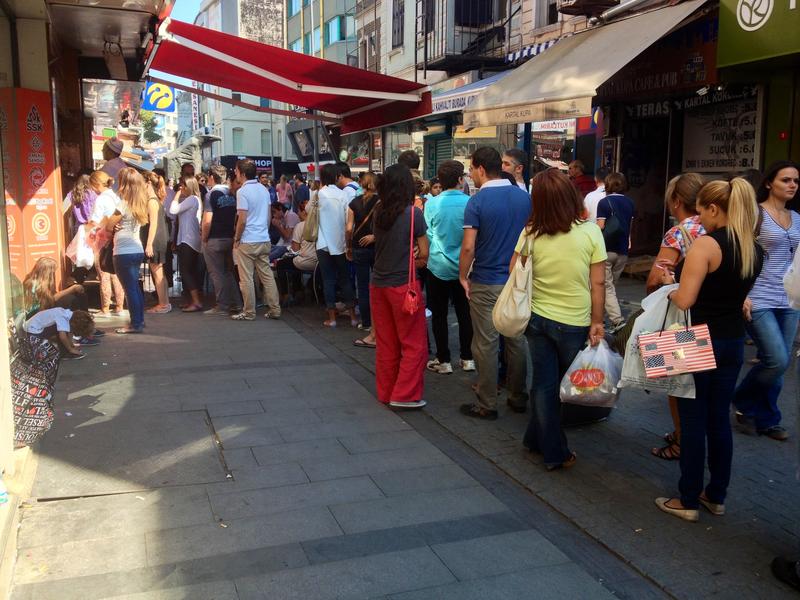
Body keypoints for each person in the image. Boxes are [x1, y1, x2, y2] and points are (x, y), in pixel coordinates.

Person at [654, 178, 763, 522]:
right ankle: (715, 495)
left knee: (692, 419)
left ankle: (686, 498)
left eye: (701, 211)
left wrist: (669, 288)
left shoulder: (705, 245)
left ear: (714, 208)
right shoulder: (753, 247)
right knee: (718, 420)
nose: (699, 218)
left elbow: (686, 299)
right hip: (732, 341)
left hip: (695, 340)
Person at [512, 169, 606, 470]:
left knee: (543, 384)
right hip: (574, 322)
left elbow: (514, 269)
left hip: (537, 319)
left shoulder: (530, 232)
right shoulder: (590, 232)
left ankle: (535, 439)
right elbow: (599, 284)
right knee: (559, 388)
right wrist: (597, 321)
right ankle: (555, 451)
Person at [458, 147, 530, 420]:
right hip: (517, 281)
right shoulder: (524, 198)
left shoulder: (476, 202)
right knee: (516, 339)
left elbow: (468, 247)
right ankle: (518, 395)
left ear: (479, 168)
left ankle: (487, 403)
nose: (471, 175)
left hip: (486, 281)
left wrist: (462, 276)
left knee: (485, 342)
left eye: (471, 170)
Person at [734, 161, 800, 441]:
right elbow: (740, 254)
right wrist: (742, 293)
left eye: (796, 180)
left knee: (781, 363)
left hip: (790, 299)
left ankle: (767, 418)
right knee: (776, 359)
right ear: (770, 183)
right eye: (786, 180)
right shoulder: (755, 214)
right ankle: (742, 400)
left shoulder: (797, 217)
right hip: (758, 296)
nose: (793, 185)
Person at [643, 172, 706, 461]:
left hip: (680, 315)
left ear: (677, 200)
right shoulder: (717, 226)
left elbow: (656, 278)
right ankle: (689, 434)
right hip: (710, 315)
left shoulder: (679, 232)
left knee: (678, 384)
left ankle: (682, 440)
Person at [371, 163, 429, 410]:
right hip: (404, 286)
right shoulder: (413, 214)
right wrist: (413, 258)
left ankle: (386, 391)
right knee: (414, 343)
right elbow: (425, 254)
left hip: (378, 284)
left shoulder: (378, 210)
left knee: (386, 343)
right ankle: (404, 395)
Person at [425, 160, 474, 375]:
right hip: (465, 268)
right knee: (465, 314)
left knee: (439, 314)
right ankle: (467, 358)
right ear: (460, 180)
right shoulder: (470, 203)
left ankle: (443, 359)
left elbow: (427, 236)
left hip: (438, 266)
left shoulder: (431, 204)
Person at [232, 159, 281, 321]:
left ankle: (249, 312)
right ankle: (275, 309)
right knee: (267, 276)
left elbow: (242, 219)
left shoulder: (242, 192)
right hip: (263, 238)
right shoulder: (264, 189)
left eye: (237, 171)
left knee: (246, 278)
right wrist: (264, 232)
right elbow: (268, 216)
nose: (235, 173)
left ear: (243, 173)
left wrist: (237, 238)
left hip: (248, 240)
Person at [106, 168, 150, 334]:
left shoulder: (123, 203)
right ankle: (140, 320)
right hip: (136, 248)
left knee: (130, 289)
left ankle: (135, 324)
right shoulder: (140, 203)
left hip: (123, 250)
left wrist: (113, 224)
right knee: (135, 288)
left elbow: (109, 225)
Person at [316, 163, 357, 327]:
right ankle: (353, 317)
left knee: (328, 280)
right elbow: (349, 221)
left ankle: (332, 318)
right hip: (341, 243)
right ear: (335, 176)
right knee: (345, 279)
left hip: (323, 243)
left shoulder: (318, 195)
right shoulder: (343, 195)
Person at [596, 172, 636, 331]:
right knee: (611, 285)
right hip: (623, 250)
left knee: (606, 286)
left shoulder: (604, 203)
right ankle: (604, 315)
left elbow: (600, 226)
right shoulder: (630, 203)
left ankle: (616, 320)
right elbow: (630, 226)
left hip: (606, 249)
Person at [202, 165, 240, 316]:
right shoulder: (232, 194)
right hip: (230, 237)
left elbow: (207, 221)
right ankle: (236, 303)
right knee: (228, 272)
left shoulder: (210, 194)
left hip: (214, 238)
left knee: (217, 273)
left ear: (212, 177)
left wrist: (204, 238)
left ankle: (222, 305)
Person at [347, 171, 379, 347]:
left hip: (358, 246)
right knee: (377, 285)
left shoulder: (354, 203)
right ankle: (377, 323)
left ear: (361, 183)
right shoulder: (381, 202)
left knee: (362, 285)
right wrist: (374, 236)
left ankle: (366, 322)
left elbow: (349, 227)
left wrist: (348, 246)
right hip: (377, 247)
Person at [88, 170, 126, 317]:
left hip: (102, 237)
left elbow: (94, 221)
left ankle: (105, 308)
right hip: (115, 238)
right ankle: (120, 306)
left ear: (96, 184)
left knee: (103, 273)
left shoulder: (100, 199)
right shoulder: (115, 196)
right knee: (115, 273)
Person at [170, 177, 204, 312]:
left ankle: (196, 302)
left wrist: (177, 195)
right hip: (188, 239)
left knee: (186, 271)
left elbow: (173, 210)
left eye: (183, 186)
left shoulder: (192, 199)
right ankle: (192, 300)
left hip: (188, 240)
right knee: (188, 271)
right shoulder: (194, 200)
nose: (181, 188)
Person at [276, 199, 318, 304]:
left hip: (304, 261)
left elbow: (295, 249)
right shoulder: (319, 224)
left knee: (281, 264)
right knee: (293, 262)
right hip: (318, 262)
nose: (297, 214)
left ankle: (286, 294)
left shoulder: (300, 226)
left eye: (299, 211)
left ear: (304, 212)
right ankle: (299, 290)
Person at [141, 171, 171, 314]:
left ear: (147, 183)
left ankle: (163, 304)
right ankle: (165, 302)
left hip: (156, 240)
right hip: (160, 238)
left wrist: (148, 244)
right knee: (159, 271)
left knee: (157, 272)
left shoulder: (152, 201)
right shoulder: (156, 200)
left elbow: (153, 224)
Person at [24, 307, 95, 360]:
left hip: (33, 327)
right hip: (33, 331)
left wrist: (71, 344)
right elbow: (63, 337)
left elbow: (70, 331)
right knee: (62, 331)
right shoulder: (62, 317)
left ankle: (65, 350)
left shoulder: (67, 314)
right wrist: (70, 349)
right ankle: (65, 353)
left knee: (63, 329)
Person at [65, 174, 97, 239]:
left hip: (79, 227)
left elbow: (63, 208)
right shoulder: (94, 194)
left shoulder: (72, 194)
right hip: (93, 227)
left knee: (79, 248)